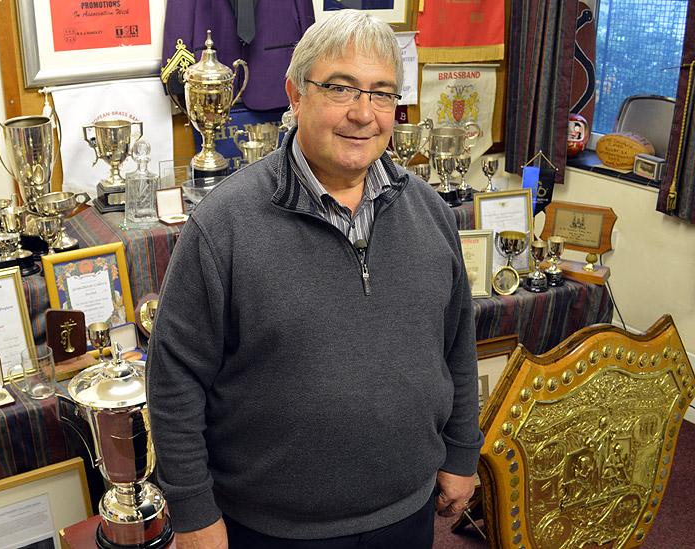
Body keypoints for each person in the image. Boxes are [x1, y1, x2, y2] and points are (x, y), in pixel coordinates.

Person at [147, 10, 482, 548]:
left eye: (381, 94)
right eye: (340, 88)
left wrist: (462, 452)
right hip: (270, 530)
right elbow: (174, 379)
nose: (363, 113)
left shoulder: (431, 213)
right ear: (295, 95)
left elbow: (457, 346)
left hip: (406, 514)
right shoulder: (224, 225)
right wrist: (192, 512)